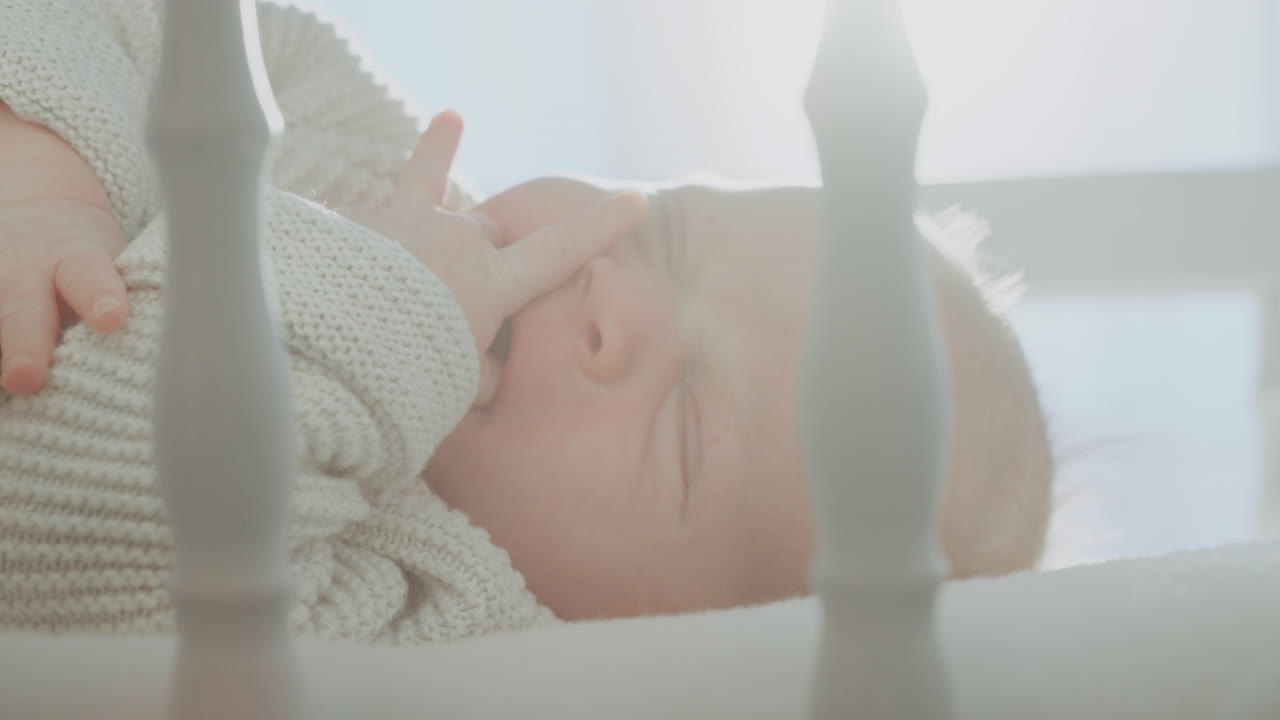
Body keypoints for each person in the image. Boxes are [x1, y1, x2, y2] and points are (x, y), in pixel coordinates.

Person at [0, 0, 1051, 641]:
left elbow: (57, 525)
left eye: (685, 428)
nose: (617, 298)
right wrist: (50, 171)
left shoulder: (425, 610)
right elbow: (157, 21)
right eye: (670, 234)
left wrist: (386, 315)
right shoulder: (363, 134)